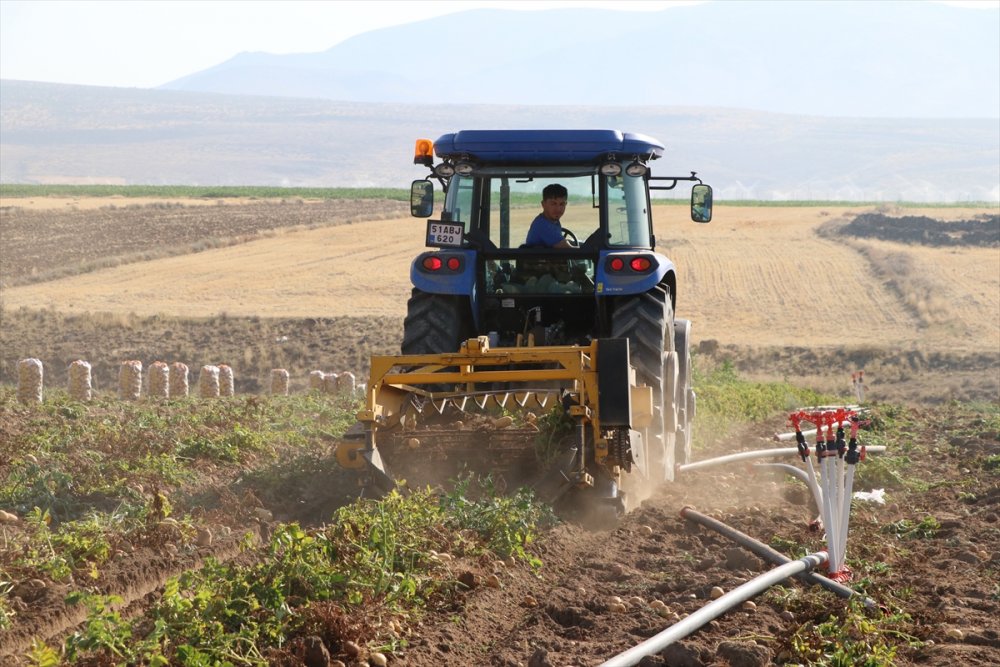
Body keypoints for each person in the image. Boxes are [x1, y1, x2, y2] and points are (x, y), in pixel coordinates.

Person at [524, 183, 574, 248]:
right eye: (553, 204)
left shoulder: (553, 222)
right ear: (543, 204)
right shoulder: (543, 225)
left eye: (562, 204)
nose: (558, 209)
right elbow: (569, 250)